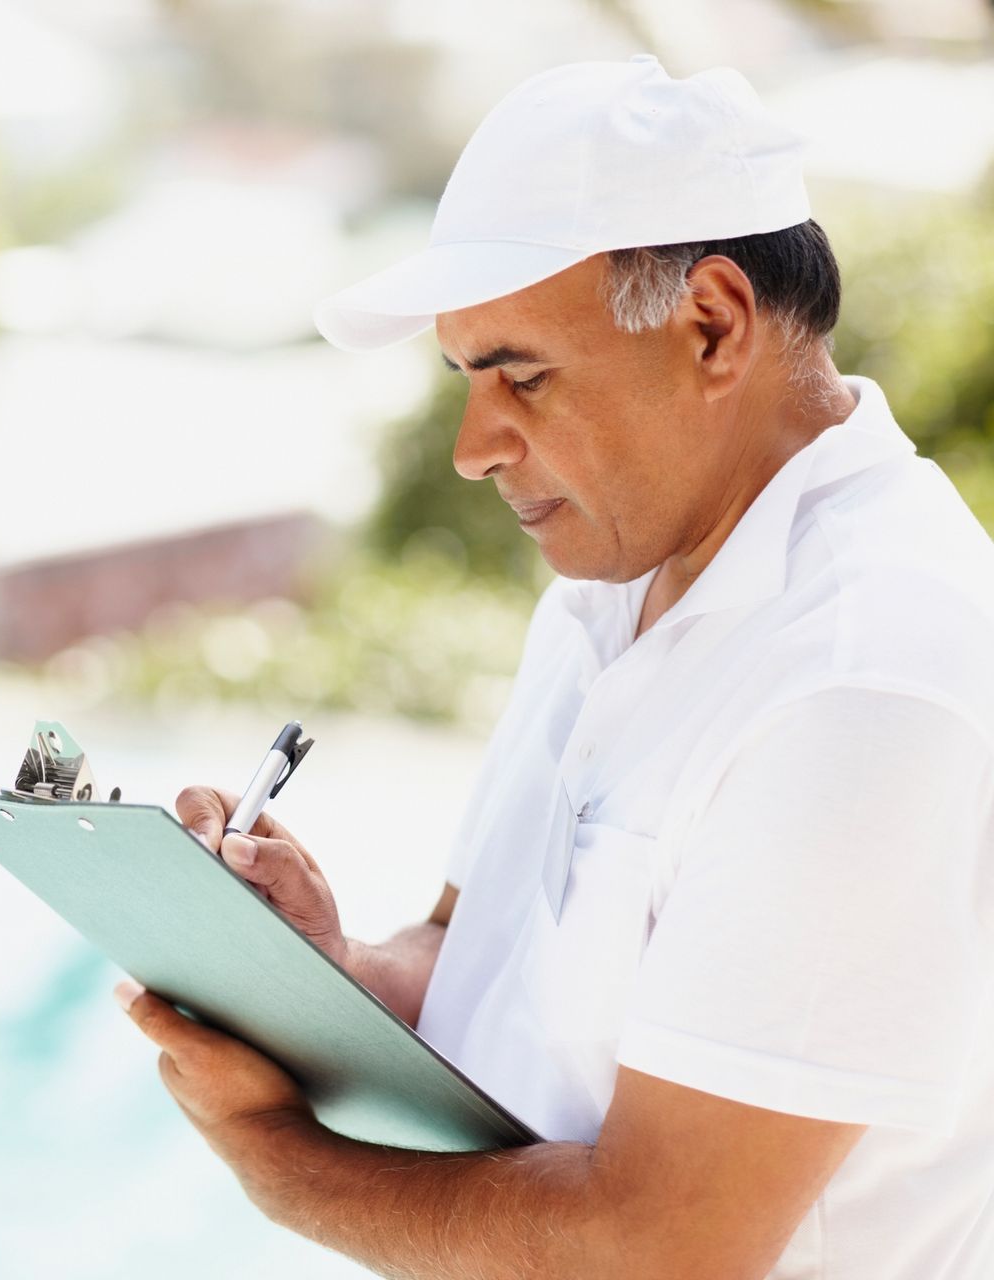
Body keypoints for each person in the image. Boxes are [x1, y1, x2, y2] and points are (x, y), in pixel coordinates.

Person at [113, 55, 994, 1279]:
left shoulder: (864, 675)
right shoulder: (616, 578)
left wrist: (275, 1155)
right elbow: (480, 962)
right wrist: (333, 969)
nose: (477, 447)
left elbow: (661, 1245)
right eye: (466, 378)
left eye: (522, 375)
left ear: (714, 324)